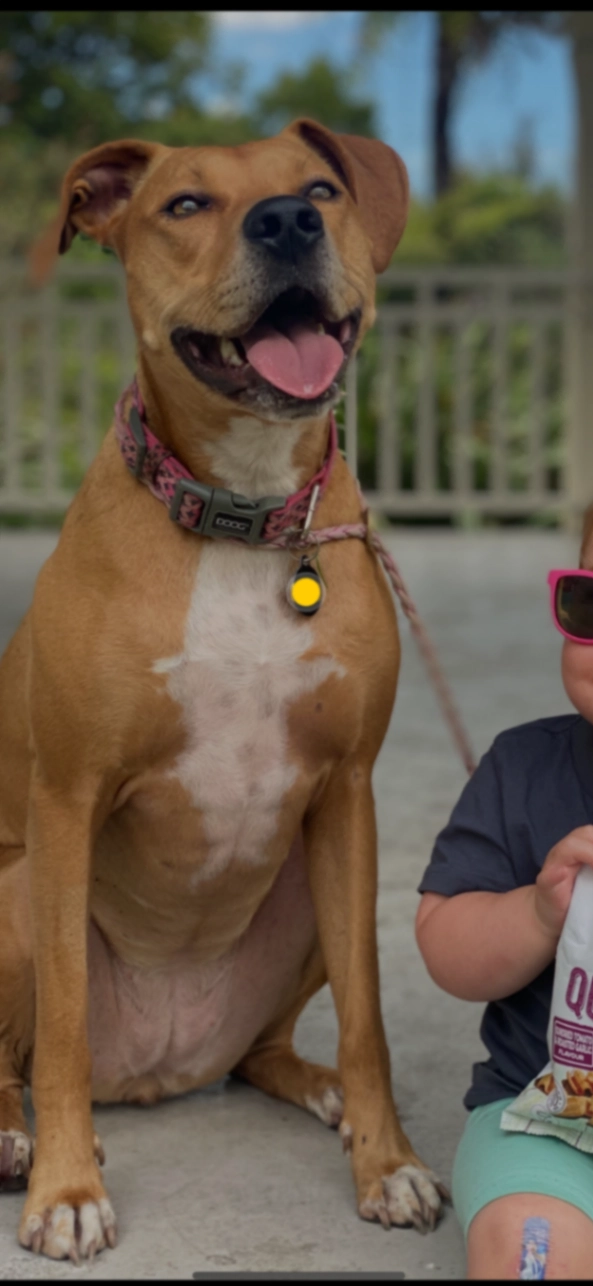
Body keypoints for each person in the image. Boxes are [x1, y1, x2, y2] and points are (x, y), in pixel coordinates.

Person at [415, 508, 593, 1280]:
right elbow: (446, 946)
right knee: (529, 1250)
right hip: (548, 1122)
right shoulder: (522, 771)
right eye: (590, 605)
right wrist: (535, 911)